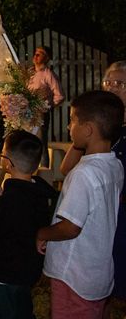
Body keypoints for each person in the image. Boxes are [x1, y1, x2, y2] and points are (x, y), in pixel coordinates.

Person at [36, 91, 124, 318]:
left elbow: (70, 227)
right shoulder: (114, 166)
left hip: (74, 275)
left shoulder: (84, 174)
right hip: (96, 273)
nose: (68, 127)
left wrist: (42, 233)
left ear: (88, 130)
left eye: (72, 120)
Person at [59, 60, 126, 303]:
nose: (112, 87)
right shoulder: (99, 130)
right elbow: (66, 167)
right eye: (108, 82)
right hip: (101, 218)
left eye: (120, 83)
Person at [0, 130, 58, 319]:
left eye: (2, 155)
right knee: (22, 309)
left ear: (7, 162)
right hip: (28, 271)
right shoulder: (39, 192)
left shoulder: (12, 197)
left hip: (7, 274)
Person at [28, 46, 65, 166]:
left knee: (40, 144)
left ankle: (44, 174)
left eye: (40, 53)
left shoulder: (49, 74)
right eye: (35, 53)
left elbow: (59, 95)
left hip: (40, 114)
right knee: (27, 142)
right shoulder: (30, 73)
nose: (36, 55)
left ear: (47, 58)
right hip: (27, 113)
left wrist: (46, 107)